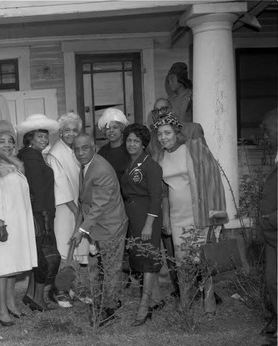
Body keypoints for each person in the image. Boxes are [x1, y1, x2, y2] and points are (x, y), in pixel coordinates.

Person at [154, 112, 228, 314]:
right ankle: (185, 300)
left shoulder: (195, 150)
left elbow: (214, 183)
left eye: (167, 132)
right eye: (159, 134)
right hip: (177, 217)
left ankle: (209, 301)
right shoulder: (160, 156)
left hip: (199, 214)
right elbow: (164, 192)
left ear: (177, 131)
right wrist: (166, 219)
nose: (163, 137)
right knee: (181, 260)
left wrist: (217, 218)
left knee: (204, 259)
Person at [0, 120, 38, 324]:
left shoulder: (12, 163)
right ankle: (1, 309)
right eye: (1, 141)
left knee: (12, 267)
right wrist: (0, 223)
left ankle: (11, 304)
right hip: (2, 224)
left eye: (10, 141)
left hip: (17, 220)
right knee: (2, 269)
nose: (7, 145)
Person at [70, 133, 129, 323]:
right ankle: (108, 300)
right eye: (76, 149)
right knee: (105, 267)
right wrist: (79, 226)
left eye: (84, 148)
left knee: (111, 268)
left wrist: (81, 231)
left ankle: (108, 311)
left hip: (111, 225)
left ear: (93, 147)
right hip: (100, 225)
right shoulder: (87, 165)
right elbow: (84, 201)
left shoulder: (101, 169)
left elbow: (98, 205)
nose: (80, 153)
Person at [119, 123, 164, 326]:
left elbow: (156, 198)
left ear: (144, 143)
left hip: (147, 218)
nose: (132, 144)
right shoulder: (130, 163)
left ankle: (144, 307)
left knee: (147, 261)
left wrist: (148, 225)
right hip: (133, 217)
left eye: (136, 141)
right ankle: (155, 300)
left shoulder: (150, 165)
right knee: (140, 258)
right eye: (129, 140)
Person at [17, 114, 59, 311]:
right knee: (44, 257)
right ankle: (38, 299)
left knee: (39, 257)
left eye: (45, 136)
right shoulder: (31, 158)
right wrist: (44, 220)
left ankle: (30, 295)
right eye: (39, 137)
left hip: (41, 213)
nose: (44, 140)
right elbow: (36, 192)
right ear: (29, 138)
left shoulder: (32, 155)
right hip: (40, 215)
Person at [46, 112, 89, 308]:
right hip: (65, 210)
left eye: (74, 130)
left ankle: (74, 288)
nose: (71, 134)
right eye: (66, 130)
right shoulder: (56, 153)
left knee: (79, 250)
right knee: (66, 250)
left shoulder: (76, 150)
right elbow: (60, 187)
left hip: (79, 209)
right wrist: (76, 213)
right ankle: (59, 291)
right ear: (60, 132)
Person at [258, 108, 278, 346]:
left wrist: (274, 217)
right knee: (273, 281)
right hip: (273, 234)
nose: (264, 136)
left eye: (268, 130)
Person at [96, 108, 130, 180]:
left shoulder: (130, 149)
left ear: (122, 129)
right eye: (108, 128)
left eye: (115, 127)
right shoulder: (102, 152)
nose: (111, 131)